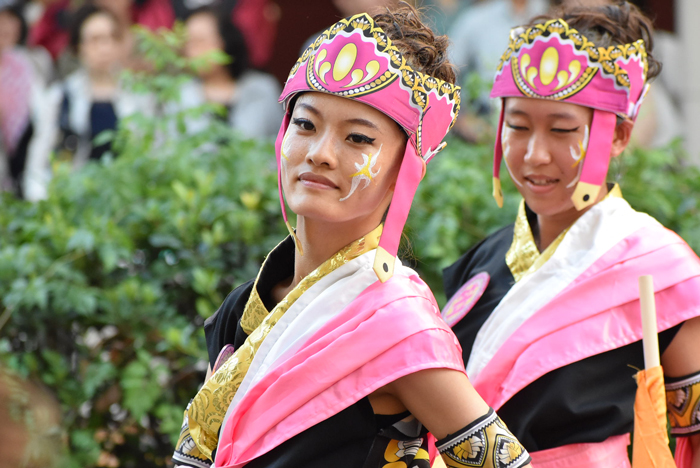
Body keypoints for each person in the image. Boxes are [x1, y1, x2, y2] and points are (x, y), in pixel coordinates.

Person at [173, 4, 532, 468]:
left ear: (407, 170)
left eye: (358, 139)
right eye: (305, 125)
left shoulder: (397, 329)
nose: (320, 154)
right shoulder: (245, 307)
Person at [442, 2, 700, 467]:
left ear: (620, 135)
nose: (535, 155)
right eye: (518, 126)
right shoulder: (481, 262)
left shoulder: (666, 278)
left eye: (562, 130)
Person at [23, 4, 152, 201]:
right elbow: (37, 168)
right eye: (94, 40)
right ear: (78, 46)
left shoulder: (140, 96)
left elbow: (153, 155)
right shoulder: (59, 98)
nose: (104, 48)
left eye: (111, 38)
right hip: (74, 204)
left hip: (127, 204)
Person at [180, 5, 282, 139]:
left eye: (200, 41)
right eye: (188, 43)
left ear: (225, 40)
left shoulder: (262, 89)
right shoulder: (179, 95)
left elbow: (282, 145)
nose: (192, 51)